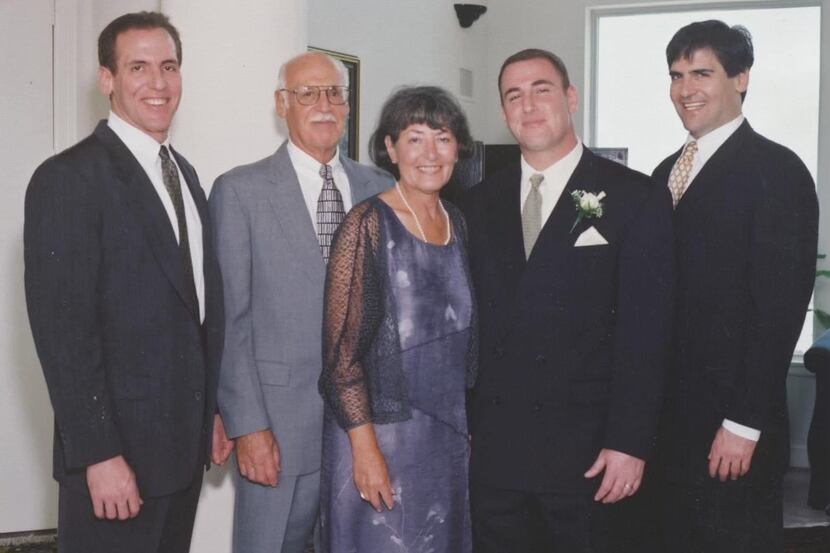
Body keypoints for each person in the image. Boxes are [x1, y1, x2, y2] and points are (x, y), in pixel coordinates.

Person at [23, 11, 229, 553]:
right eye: (138, 67)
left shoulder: (185, 174)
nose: (158, 83)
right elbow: (65, 336)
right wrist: (97, 454)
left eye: (169, 66)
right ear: (107, 79)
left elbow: (197, 310)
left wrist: (209, 411)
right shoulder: (68, 178)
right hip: (117, 468)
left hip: (179, 460)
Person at [459, 48, 674, 552]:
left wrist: (629, 442)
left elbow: (648, 334)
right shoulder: (476, 204)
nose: (528, 105)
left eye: (542, 89)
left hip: (589, 456)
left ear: (571, 98)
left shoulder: (633, 196)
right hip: (497, 456)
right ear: (503, 111)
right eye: (514, 95)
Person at [209, 51, 391, 553]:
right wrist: (248, 425)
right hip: (279, 431)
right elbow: (232, 322)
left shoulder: (382, 190)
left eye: (334, 93)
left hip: (363, 432)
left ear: (348, 106)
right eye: (308, 93)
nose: (324, 104)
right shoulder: (239, 192)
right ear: (281, 104)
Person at [653, 20, 818, 552]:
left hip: (732, 428)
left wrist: (743, 424)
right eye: (677, 75)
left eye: (702, 72)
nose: (685, 89)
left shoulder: (778, 170)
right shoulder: (662, 175)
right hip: (665, 428)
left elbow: (778, 309)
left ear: (741, 78)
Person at [318, 85, 476, 553]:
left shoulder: (458, 222)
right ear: (390, 147)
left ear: (458, 148)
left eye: (442, 138)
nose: (430, 153)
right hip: (381, 438)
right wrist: (365, 453)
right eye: (414, 138)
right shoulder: (365, 224)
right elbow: (341, 359)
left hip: (446, 441)